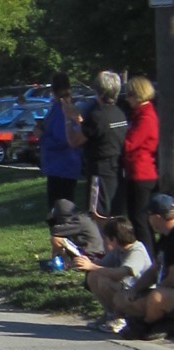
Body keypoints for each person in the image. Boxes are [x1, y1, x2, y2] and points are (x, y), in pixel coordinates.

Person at [62, 70, 128, 222]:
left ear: (98, 92)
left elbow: (74, 141)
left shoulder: (97, 116)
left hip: (100, 172)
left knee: (98, 217)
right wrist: (79, 120)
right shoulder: (119, 113)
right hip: (117, 170)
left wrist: (67, 118)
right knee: (115, 216)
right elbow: (97, 131)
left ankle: (103, 244)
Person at [75, 216, 151, 333]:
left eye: (107, 238)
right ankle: (110, 314)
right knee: (93, 276)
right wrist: (85, 262)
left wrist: (93, 266)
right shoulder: (118, 250)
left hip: (139, 293)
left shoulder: (137, 251)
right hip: (125, 289)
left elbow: (121, 273)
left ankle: (121, 318)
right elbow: (102, 264)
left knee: (104, 281)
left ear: (114, 239)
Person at [113, 194, 174, 341]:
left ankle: (146, 324)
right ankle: (161, 322)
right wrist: (136, 290)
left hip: (167, 292)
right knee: (121, 298)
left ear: (158, 217)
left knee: (155, 298)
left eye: (150, 215)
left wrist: (151, 298)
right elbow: (155, 269)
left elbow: (172, 278)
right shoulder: (165, 237)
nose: (148, 219)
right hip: (164, 290)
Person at [122, 77, 159, 255]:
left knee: (140, 219)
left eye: (130, 95)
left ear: (138, 95)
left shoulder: (146, 117)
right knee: (136, 218)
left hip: (141, 174)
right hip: (134, 172)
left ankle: (149, 257)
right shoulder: (138, 116)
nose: (127, 99)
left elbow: (130, 143)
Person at [35, 73, 83, 209]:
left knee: (60, 211)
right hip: (64, 166)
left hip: (61, 168)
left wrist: (42, 136)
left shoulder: (61, 110)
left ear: (53, 90)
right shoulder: (69, 107)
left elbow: (63, 139)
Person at [47, 198, 105, 265]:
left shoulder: (78, 222)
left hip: (92, 255)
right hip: (96, 252)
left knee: (55, 239)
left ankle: (65, 263)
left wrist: (51, 221)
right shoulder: (81, 218)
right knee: (60, 238)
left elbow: (55, 231)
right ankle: (57, 261)